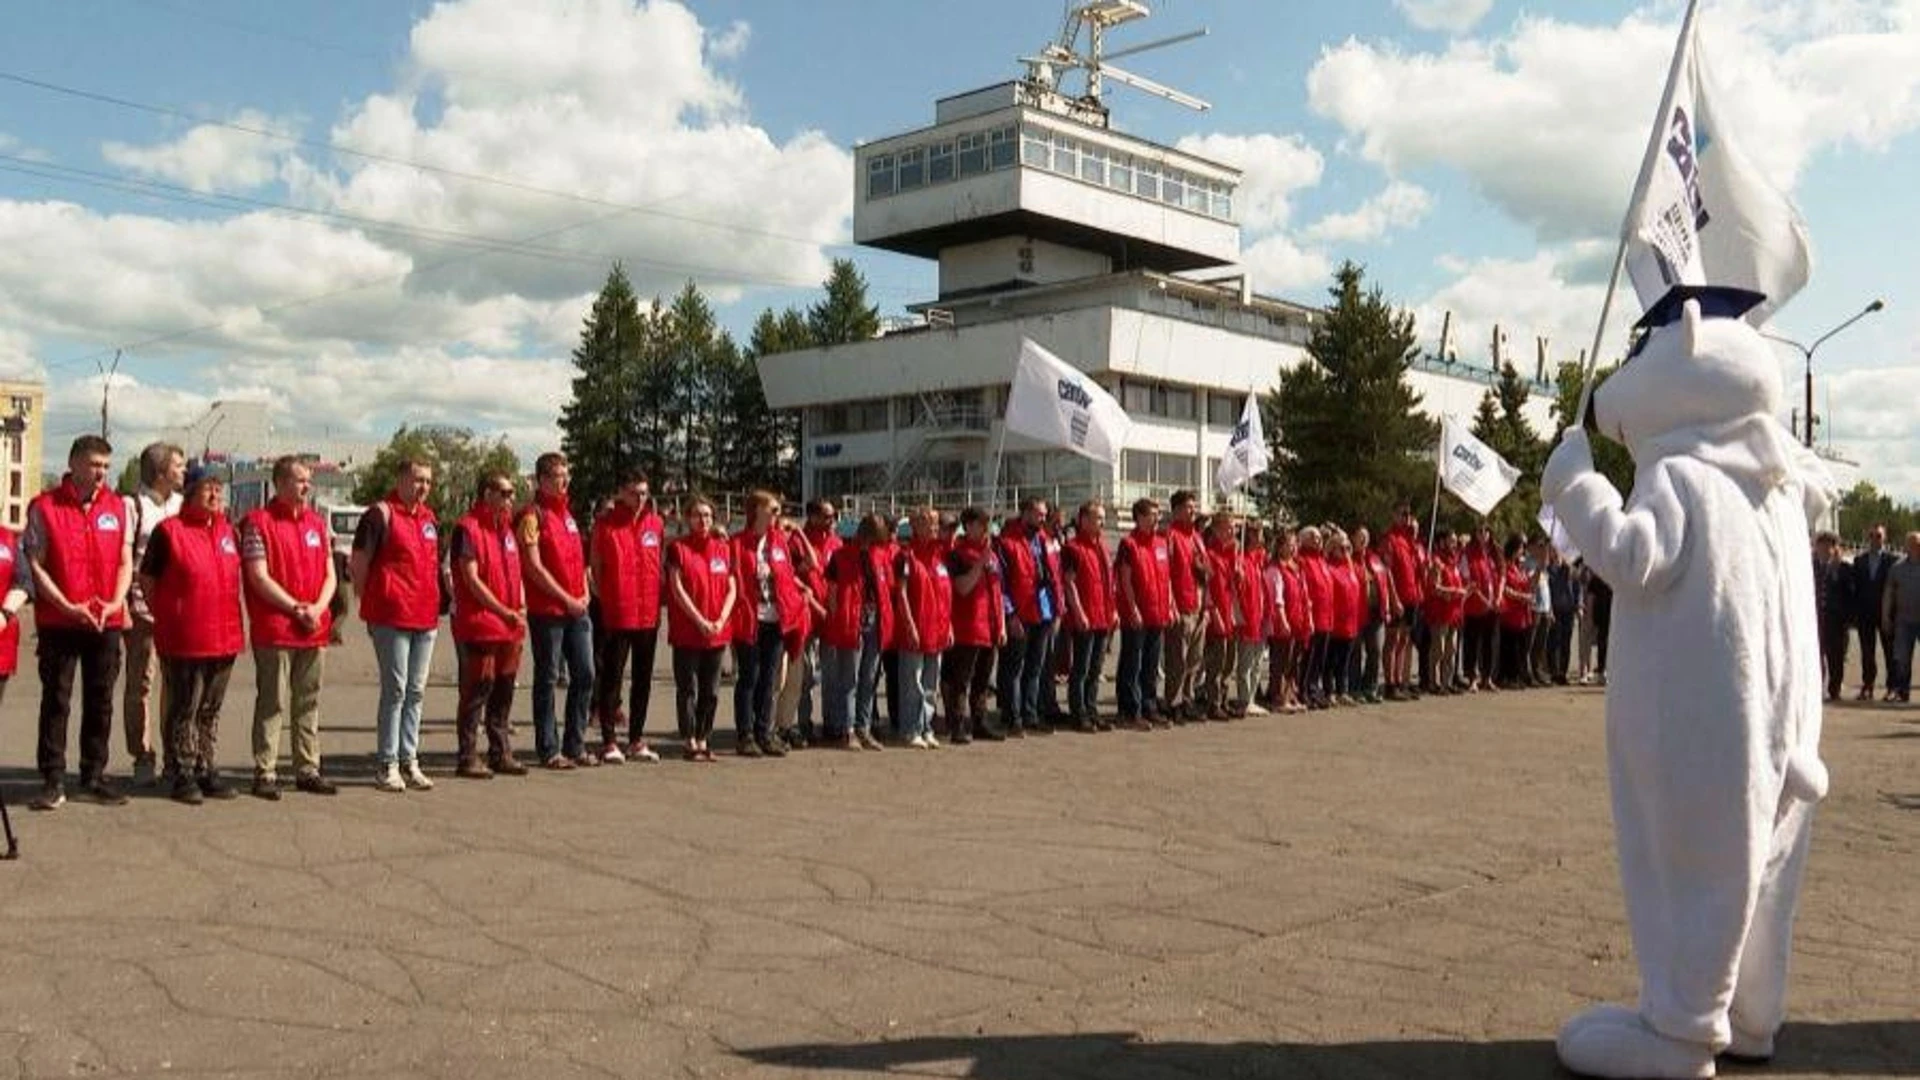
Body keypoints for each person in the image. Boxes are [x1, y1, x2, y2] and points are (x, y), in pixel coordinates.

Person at [24, 434, 135, 810]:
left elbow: (125, 560)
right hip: (60, 620)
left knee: (101, 698)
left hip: (105, 619)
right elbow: (36, 565)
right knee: (56, 699)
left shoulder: (118, 507)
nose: (101, 473)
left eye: (106, 466)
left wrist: (117, 601)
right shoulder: (45, 507)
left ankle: (93, 775)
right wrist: (67, 606)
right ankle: (52, 779)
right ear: (73, 464)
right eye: (94, 465)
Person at [138, 466, 243, 804]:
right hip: (185, 637)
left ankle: (205, 765)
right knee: (185, 707)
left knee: (210, 709)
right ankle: (181, 771)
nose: (216, 495)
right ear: (191, 492)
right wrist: (169, 615)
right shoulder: (169, 532)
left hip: (224, 635)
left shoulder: (228, 531)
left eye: (219, 489)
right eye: (208, 489)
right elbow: (149, 580)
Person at [242, 455, 340, 799]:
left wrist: (317, 608)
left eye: (308, 480)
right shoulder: (257, 522)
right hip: (277, 629)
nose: (306, 486)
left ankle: (307, 767)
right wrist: (295, 608)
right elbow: (258, 576)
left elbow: (331, 572)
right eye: (299, 480)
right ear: (280, 483)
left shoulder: (316, 523)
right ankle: (265, 770)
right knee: (273, 702)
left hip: (314, 627)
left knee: (308, 701)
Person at [350, 456, 440, 794]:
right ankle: (387, 763)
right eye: (418, 479)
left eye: (428, 481)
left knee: (416, 691)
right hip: (391, 616)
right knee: (396, 690)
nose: (423, 488)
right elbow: (359, 562)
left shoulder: (429, 519)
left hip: (425, 617)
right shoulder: (380, 514)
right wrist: (369, 599)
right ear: (401, 479)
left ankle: (409, 758)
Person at [446, 472, 529, 779]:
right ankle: (467, 755)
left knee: (504, 689)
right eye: (505, 492)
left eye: (512, 493)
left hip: (509, 624)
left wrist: (518, 606)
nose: (510, 498)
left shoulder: (506, 531)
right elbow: (470, 577)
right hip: (481, 622)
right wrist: (502, 609)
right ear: (487, 494)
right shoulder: (468, 528)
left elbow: (516, 573)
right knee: (477, 689)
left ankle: (500, 751)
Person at [519, 452, 597, 769]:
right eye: (556, 476)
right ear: (541, 480)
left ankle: (575, 743)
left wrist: (585, 592)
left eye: (566, 475)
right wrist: (565, 597)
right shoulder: (532, 516)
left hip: (577, 608)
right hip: (548, 609)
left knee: (585, 673)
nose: (563, 481)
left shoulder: (568, 516)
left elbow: (578, 560)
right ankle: (549, 748)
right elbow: (534, 567)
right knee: (548, 677)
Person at [590, 471, 666, 763]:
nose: (640, 499)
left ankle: (636, 739)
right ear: (621, 492)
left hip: (648, 614)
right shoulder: (605, 525)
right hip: (617, 613)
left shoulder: (654, 524)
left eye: (645, 493)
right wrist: (607, 597)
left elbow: (657, 562)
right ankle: (609, 741)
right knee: (612, 679)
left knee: (643, 679)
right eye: (635, 493)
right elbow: (596, 566)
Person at [123, 441, 184, 786]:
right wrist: (127, 608)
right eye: (178, 465)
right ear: (161, 472)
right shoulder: (134, 506)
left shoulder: (181, 505)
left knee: (176, 687)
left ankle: (174, 754)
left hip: (178, 612)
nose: (184, 471)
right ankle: (142, 755)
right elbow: (125, 559)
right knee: (141, 685)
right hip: (143, 611)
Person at [731, 491, 805, 757]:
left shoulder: (779, 543)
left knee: (769, 678)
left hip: (776, 619)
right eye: (772, 510)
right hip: (750, 619)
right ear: (757, 511)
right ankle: (745, 734)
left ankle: (764, 731)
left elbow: (788, 577)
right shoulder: (738, 543)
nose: (777, 515)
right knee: (749, 677)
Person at [666, 495, 735, 762]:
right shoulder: (678, 549)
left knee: (712, 689)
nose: (703, 520)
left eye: (707, 515)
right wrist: (700, 621)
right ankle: (689, 739)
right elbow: (677, 587)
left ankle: (704, 737)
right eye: (697, 515)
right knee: (688, 688)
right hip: (688, 631)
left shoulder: (722, 549)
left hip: (717, 632)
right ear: (687, 519)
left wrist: (720, 619)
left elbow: (732, 588)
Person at [821, 512, 894, 751]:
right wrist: (835, 617)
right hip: (850, 622)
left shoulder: (881, 556)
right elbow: (831, 591)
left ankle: (864, 727)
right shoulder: (841, 556)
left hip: (874, 622)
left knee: (869, 678)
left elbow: (887, 588)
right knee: (849, 679)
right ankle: (848, 729)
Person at [776, 500, 839, 746]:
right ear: (812, 517)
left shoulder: (835, 542)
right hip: (807, 617)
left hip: (828, 616)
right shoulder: (795, 543)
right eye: (827, 516)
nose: (832, 520)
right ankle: (801, 723)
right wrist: (800, 533)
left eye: (833, 515)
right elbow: (802, 576)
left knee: (830, 674)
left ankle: (832, 722)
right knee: (804, 676)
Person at [994, 498, 1059, 737]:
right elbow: (1002, 585)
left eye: (1044, 515)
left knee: (1035, 666)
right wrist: (1010, 615)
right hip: (1020, 612)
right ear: (1026, 513)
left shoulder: (1044, 540)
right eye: (1039, 514)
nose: (1043, 519)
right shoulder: (1007, 543)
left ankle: (1030, 713)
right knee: (1014, 667)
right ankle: (1012, 716)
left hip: (1043, 610)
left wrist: (1056, 607)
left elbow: (1053, 575)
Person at [892, 505, 953, 748]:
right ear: (916, 526)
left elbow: (945, 594)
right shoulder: (906, 556)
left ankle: (926, 726)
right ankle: (910, 728)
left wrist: (948, 626)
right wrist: (909, 625)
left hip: (937, 628)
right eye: (929, 522)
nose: (934, 527)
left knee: (930, 682)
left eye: (936, 522)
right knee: (912, 682)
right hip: (916, 627)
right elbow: (902, 593)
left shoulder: (939, 555)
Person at [941, 506, 1004, 743]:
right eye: (980, 524)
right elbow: (962, 588)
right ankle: (957, 723)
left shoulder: (991, 555)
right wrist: (979, 564)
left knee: (982, 680)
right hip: (967, 625)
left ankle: (979, 721)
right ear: (968, 527)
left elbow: (997, 590)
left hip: (988, 625)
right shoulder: (958, 555)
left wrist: (1001, 625)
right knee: (961, 679)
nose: (985, 529)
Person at [1113, 497, 1171, 730]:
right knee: (1132, 663)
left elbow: (1165, 578)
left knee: (1151, 663)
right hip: (1137, 614)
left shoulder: (1160, 543)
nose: (1156, 518)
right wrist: (1133, 608)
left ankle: (1149, 706)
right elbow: (1125, 579)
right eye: (1151, 514)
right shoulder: (1129, 544)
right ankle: (1130, 710)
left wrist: (1169, 605)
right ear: (1139, 517)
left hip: (1157, 612)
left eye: (1158, 514)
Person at [1060, 500, 1116, 732]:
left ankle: (1091, 709)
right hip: (1086, 616)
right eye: (1096, 518)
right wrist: (1079, 612)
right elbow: (1069, 583)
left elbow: (1108, 582)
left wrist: (1113, 611)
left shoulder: (1101, 546)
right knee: (1081, 668)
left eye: (1102, 518)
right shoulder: (1073, 548)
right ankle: (1078, 711)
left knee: (1096, 668)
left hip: (1103, 615)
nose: (1100, 522)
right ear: (1083, 520)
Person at [1160, 490, 1209, 721]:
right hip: (1181, 605)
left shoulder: (1197, 538)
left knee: (1194, 659)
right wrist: (1171, 603)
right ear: (1176, 510)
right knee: (1176, 660)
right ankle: (1173, 701)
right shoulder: (1171, 536)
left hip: (1199, 606)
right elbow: (1166, 573)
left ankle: (1188, 699)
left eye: (1194, 506)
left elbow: (1205, 571)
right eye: (1188, 507)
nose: (1193, 510)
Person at [1198, 511, 1239, 720]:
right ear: (1215, 530)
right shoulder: (1209, 554)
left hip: (1227, 611)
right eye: (1227, 527)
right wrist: (1215, 613)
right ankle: (1213, 701)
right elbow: (1209, 589)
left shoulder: (1228, 554)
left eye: (1233, 527)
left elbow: (1231, 588)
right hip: (1216, 614)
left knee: (1229, 661)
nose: (1232, 531)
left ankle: (1223, 699)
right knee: (1217, 661)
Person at [1382, 504, 1425, 700]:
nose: (1406, 518)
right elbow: (1387, 570)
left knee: (1404, 639)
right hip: (1398, 597)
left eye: (1409, 514)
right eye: (1403, 514)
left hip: (1412, 596)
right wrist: (1394, 598)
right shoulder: (1390, 539)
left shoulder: (1410, 541)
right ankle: (1390, 684)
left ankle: (1399, 681)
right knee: (1393, 640)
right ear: (1394, 516)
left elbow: (1417, 570)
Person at [1851, 523, 1896, 701]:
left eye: (1878, 535)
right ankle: (1867, 686)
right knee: (1867, 652)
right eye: (1871, 536)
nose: (1875, 539)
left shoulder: (1892, 560)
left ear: (1885, 538)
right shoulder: (1859, 561)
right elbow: (1855, 588)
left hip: (1886, 614)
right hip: (1865, 614)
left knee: (1890, 652)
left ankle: (1892, 688)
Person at [1266, 527, 1308, 714]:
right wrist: (1283, 620)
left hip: (1298, 620)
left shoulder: (1296, 567)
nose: (1292, 549)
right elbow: (1278, 598)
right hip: (1283, 621)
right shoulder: (1275, 569)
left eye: (1294, 545)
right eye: (1288, 545)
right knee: (1281, 661)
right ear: (1280, 547)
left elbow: (1303, 595)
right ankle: (1278, 697)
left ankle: (1290, 695)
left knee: (1293, 662)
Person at [1231, 520, 1270, 716]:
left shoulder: (1257, 559)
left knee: (1257, 662)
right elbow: (1236, 590)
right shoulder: (1242, 560)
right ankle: (1244, 698)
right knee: (1246, 662)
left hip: (1259, 615)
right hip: (1247, 616)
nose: (1262, 537)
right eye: (1259, 533)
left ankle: (1252, 697)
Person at [1423, 531, 1467, 696]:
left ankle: (1446, 683)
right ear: (1442, 542)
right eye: (1451, 541)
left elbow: (1459, 586)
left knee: (1452, 649)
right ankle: (1432, 682)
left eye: (1455, 541)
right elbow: (1434, 587)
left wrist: (1463, 591)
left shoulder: (1454, 562)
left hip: (1454, 613)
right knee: (1438, 649)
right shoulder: (1437, 561)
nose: (1454, 544)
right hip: (1440, 613)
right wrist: (1454, 591)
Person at [1811, 531, 1852, 703]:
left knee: (1836, 656)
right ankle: (1816, 689)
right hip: (1816, 618)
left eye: (1829, 545)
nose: (1825, 548)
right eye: (1822, 545)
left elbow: (1850, 593)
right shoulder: (1810, 567)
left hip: (1836, 620)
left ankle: (1834, 690)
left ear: (1835, 548)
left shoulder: (1843, 568)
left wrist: (1836, 573)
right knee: (1816, 655)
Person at [1351, 525, 1391, 704]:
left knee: (1375, 649)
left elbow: (1385, 583)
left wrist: (1388, 606)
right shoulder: (1349, 559)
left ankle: (1371, 686)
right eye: (1360, 537)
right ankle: (1355, 687)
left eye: (1365, 537)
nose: (1363, 540)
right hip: (1358, 613)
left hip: (1377, 612)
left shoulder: (1375, 559)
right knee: (1356, 652)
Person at [1296, 525, 1334, 710]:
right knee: (1307, 658)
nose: (1317, 540)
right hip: (1311, 617)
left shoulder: (1322, 561)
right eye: (1312, 536)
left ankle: (1313, 688)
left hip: (1326, 617)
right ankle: (1302, 690)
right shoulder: (1302, 560)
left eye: (1319, 537)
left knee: (1320, 657)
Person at [1324, 530, 1363, 707]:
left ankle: (1342, 690)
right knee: (1331, 659)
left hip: (1350, 621)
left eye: (1348, 548)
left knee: (1345, 660)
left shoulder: (1350, 567)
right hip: (1336, 621)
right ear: (1333, 549)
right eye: (1343, 548)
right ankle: (1329, 691)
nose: (1347, 551)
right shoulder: (1329, 567)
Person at [1881, 531, 1920, 704]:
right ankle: (1902, 692)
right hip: (1904, 620)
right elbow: (1888, 593)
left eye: (1918, 543)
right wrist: (1885, 616)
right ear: (1906, 546)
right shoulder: (1897, 568)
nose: (1916, 547)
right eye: (1912, 543)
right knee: (1902, 659)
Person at [1461, 526, 1500, 693]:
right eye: (1480, 532)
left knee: (1489, 643)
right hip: (1475, 606)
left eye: (1486, 531)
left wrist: (1496, 599)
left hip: (1491, 606)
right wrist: (1483, 600)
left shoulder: (1492, 555)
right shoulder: (1468, 555)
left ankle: (1487, 677)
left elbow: (1497, 578)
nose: (1483, 535)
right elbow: (1467, 579)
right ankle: (1472, 678)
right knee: (1472, 643)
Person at [1497, 535, 1535, 688]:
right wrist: (1522, 597)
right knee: (1509, 646)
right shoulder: (1505, 566)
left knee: (1520, 647)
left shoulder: (1519, 567)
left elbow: (1527, 584)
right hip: (1510, 613)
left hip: (1521, 614)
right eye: (1520, 548)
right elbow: (1505, 589)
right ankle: (1506, 677)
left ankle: (1517, 676)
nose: (1522, 551)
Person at [1547, 544, 1580, 685]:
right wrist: (1549, 610)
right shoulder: (1548, 570)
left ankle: (1562, 672)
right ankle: (1553, 672)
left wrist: (1578, 605)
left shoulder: (1570, 570)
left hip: (1568, 610)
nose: (1555, 553)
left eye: (1557, 550)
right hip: (1555, 609)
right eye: (1552, 550)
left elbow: (1578, 589)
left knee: (1566, 643)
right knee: (1554, 642)